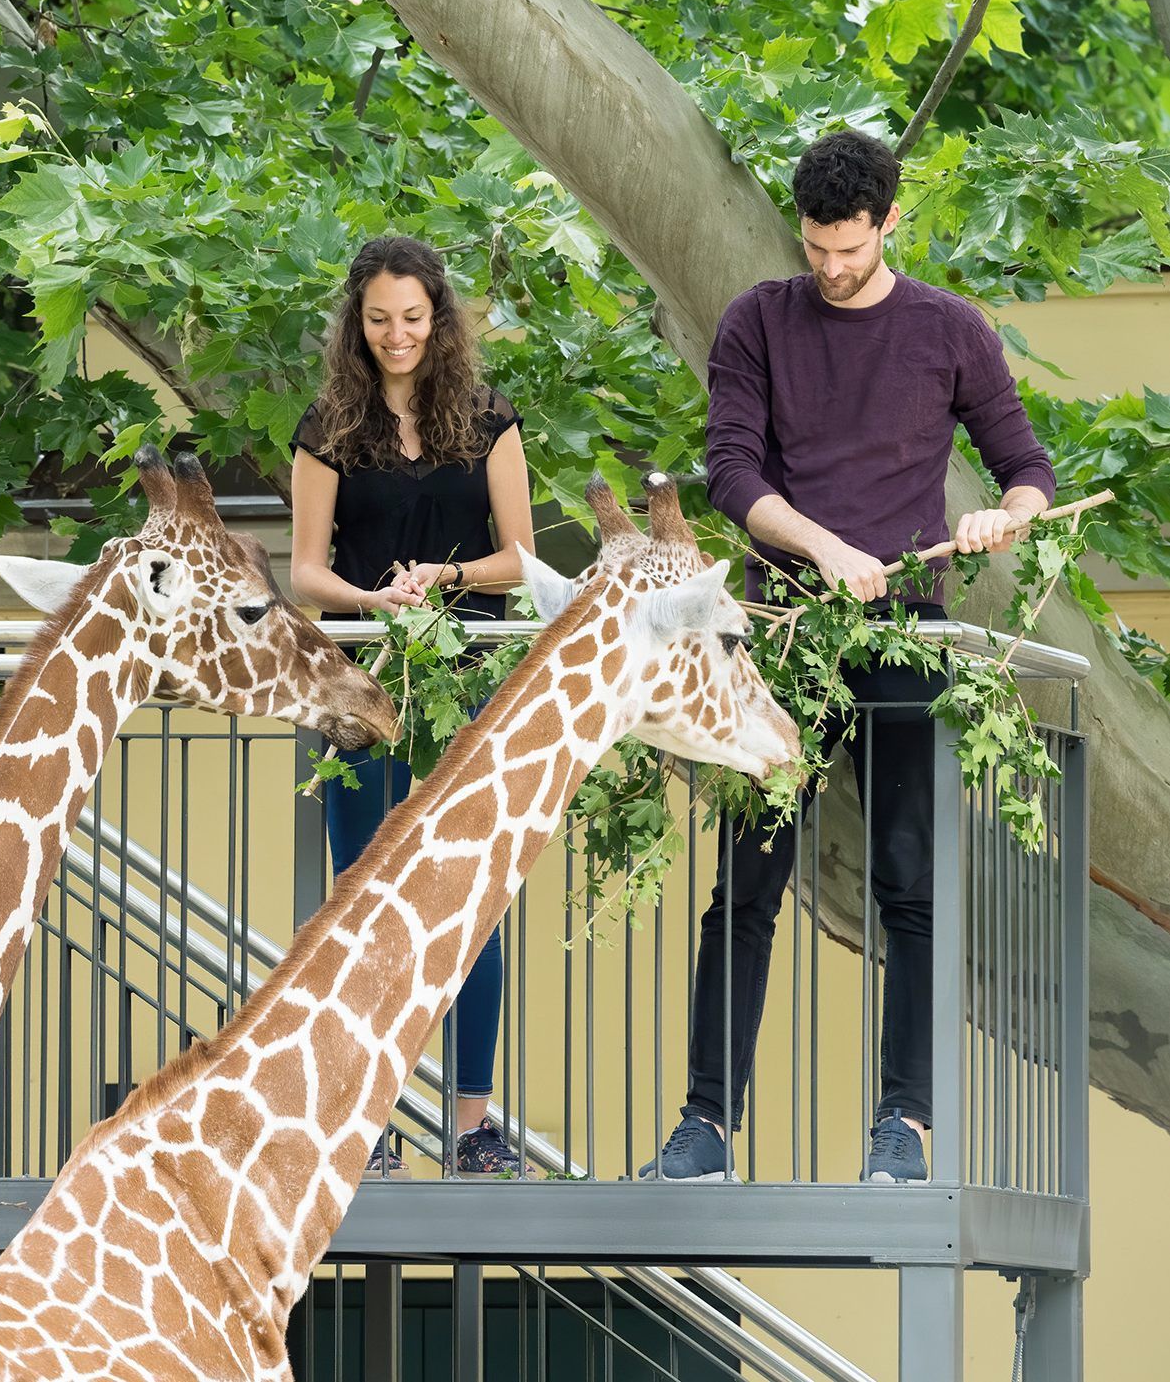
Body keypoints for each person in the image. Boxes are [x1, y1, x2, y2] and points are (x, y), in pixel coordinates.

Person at [638, 129, 1055, 1185]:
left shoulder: (947, 330)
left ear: (887, 224)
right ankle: (702, 1125)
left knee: (908, 882)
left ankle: (902, 1126)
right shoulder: (756, 322)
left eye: (849, 250)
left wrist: (1005, 518)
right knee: (743, 883)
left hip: (903, 638)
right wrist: (822, 548)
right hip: (782, 635)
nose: (829, 268)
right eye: (815, 248)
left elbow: (1022, 466)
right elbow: (729, 470)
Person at [290, 235, 538, 1179]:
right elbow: (307, 569)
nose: (397, 335)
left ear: (440, 319)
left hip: (465, 684)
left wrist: (448, 575)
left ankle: (473, 1125)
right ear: (358, 322)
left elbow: (520, 557)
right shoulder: (327, 426)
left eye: (413, 317)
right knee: (365, 908)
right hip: (358, 689)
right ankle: (371, 1124)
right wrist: (373, 600)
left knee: (468, 904)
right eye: (379, 319)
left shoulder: (487, 417)